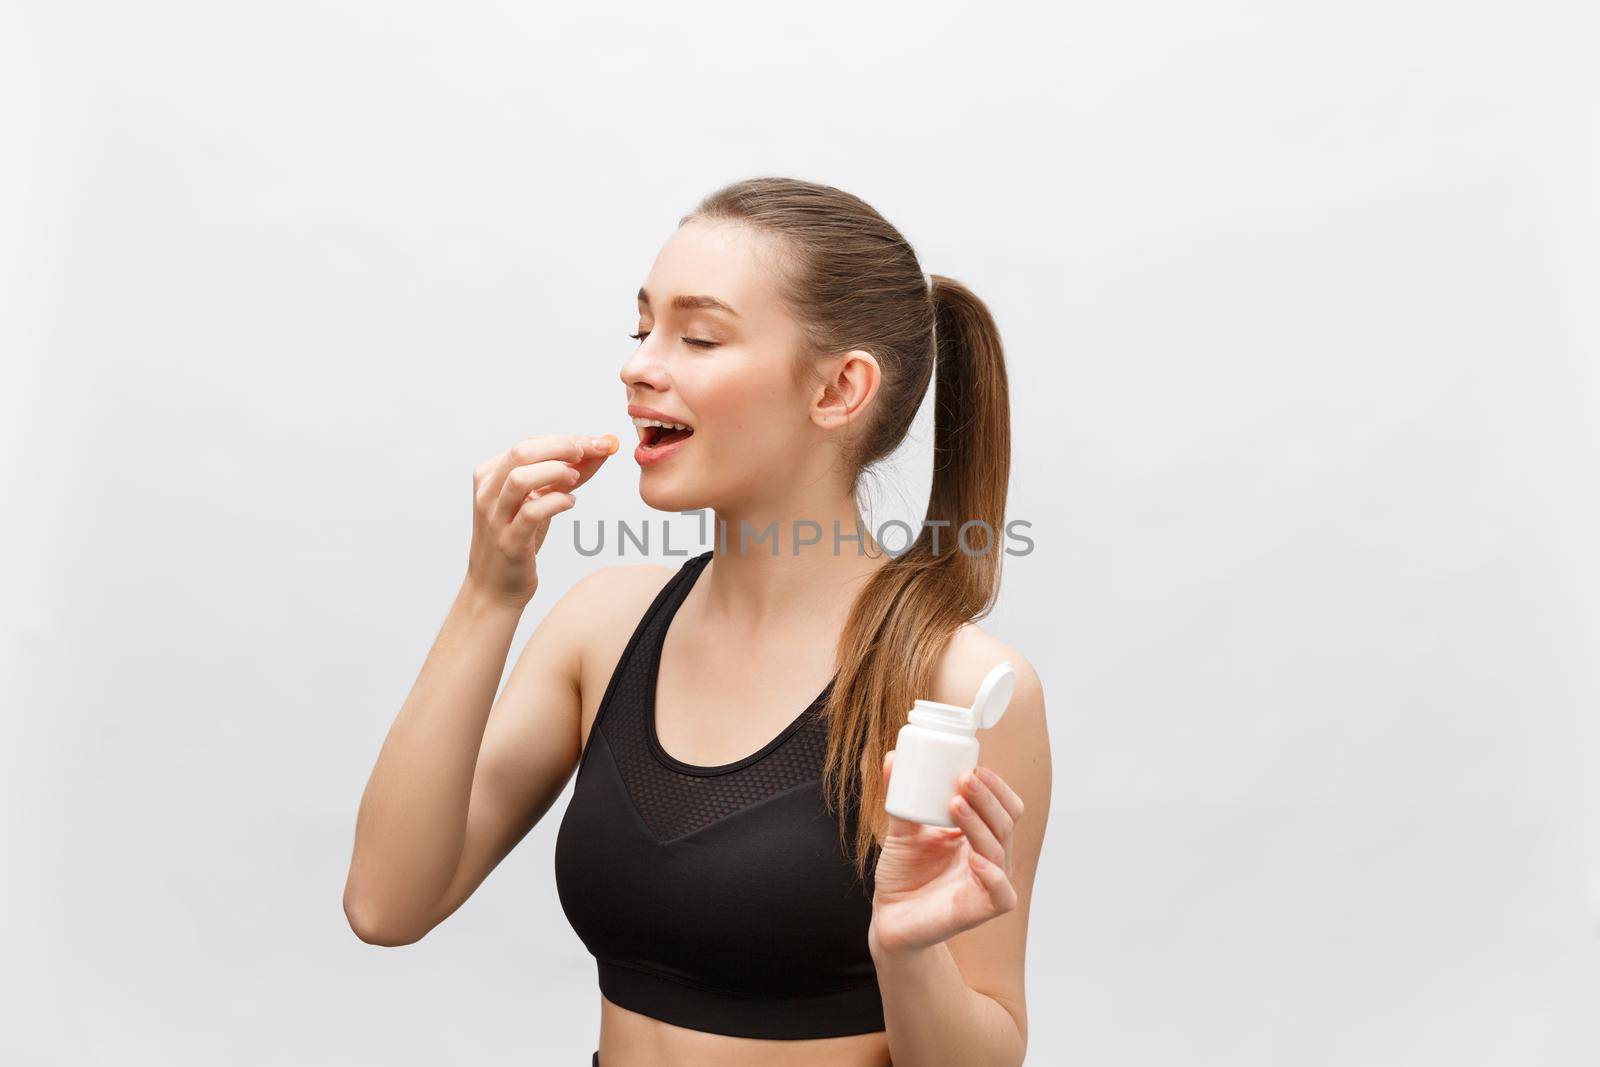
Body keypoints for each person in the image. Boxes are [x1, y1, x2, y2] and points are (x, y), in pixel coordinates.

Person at [343, 176, 1053, 1067]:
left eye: (699, 335)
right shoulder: (602, 628)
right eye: (643, 329)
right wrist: (489, 594)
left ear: (839, 389)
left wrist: (908, 951)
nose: (638, 365)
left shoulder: (963, 689)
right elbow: (386, 903)